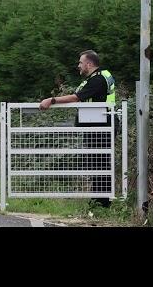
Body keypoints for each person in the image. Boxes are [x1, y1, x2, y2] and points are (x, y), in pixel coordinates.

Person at [39, 49, 116, 207]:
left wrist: (51, 100)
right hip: (97, 125)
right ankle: (98, 200)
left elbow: (76, 97)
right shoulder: (97, 77)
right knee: (97, 163)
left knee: (100, 164)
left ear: (89, 63)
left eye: (80, 62)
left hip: (101, 126)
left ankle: (102, 202)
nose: (78, 66)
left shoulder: (98, 79)